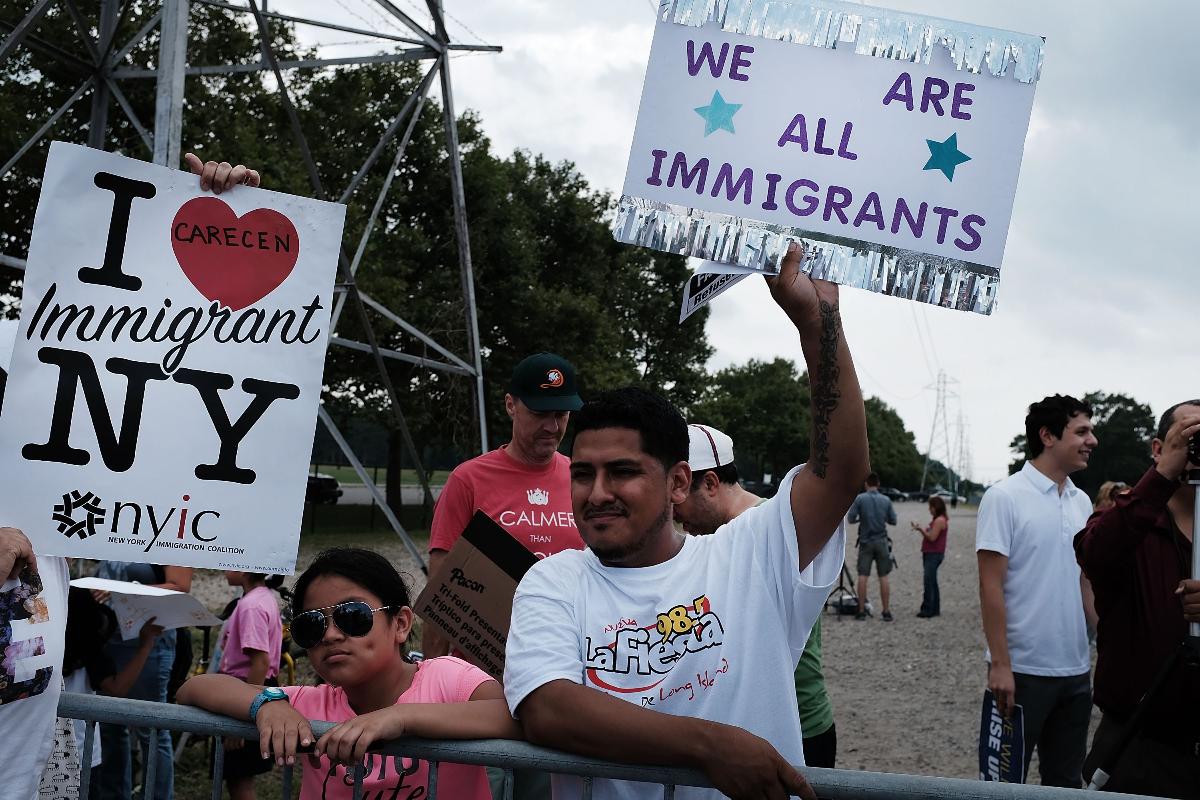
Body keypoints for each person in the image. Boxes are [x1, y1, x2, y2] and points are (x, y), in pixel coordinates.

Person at [503, 242, 869, 800]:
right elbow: (550, 710)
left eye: (622, 472)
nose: (597, 494)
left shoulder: (749, 553)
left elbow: (841, 472)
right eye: (583, 474)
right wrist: (710, 747)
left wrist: (818, 328)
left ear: (678, 482)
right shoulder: (554, 580)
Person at [178, 548, 521, 799]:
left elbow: (515, 717)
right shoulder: (312, 707)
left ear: (400, 623)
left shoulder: (447, 678)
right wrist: (267, 704)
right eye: (311, 625)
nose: (330, 635)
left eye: (353, 616)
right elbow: (194, 688)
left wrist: (402, 718)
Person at [674, 423, 838, 768]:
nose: (674, 513)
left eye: (680, 495)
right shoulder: (713, 539)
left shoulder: (779, 529)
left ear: (710, 483)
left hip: (798, 727)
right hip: (738, 732)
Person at [422, 351, 585, 658]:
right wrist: (433, 678)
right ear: (511, 405)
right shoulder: (468, 480)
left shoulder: (582, 478)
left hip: (564, 659)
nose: (552, 427)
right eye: (540, 413)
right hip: (483, 668)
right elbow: (441, 593)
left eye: (561, 414)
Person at [1075, 399, 1200, 797]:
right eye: (1189, 436)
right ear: (1158, 448)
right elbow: (1095, 554)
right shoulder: (1129, 519)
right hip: (1140, 742)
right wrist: (1164, 474)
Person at [976, 394, 1099, 787]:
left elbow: (1085, 580)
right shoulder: (1004, 497)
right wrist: (1000, 663)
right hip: (1022, 671)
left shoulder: (1082, 502)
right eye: (1081, 431)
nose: (1092, 440)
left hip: (1077, 671)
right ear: (1048, 435)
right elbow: (990, 584)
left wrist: (1104, 638)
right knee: (1002, 783)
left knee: (1065, 783)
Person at [91, 560, 193, 800]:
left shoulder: (170, 532)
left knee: (151, 728)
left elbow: (180, 586)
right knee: (109, 727)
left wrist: (120, 591)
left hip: (149, 642)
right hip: (109, 640)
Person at [216, 571, 285, 800]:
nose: (224, 570)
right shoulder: (262, 597)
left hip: (246, 688)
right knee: (237, 776)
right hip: (250, 688)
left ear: (244, 569)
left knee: (239, 780)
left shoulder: (251, 606)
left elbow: (260, 662)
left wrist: (243, 714)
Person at [847, 472, 897, 621]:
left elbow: (850, 519)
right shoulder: (886, 500)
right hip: (882, 541)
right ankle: (886, 611)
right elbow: (893, 521)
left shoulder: (860, 499)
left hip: (865, 542)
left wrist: (861, 519)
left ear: (866, 484)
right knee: (884, 576)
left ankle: (861, 611)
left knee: (863, 576)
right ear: (878, 484)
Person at [910, 495, 948, 617]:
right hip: (933, 553)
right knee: (932, 581)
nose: (929, 509)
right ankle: (935, 608)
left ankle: (927, 609)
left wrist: (921, 529)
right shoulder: (939, 519)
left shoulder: (939, 521)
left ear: (935, 507)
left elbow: (932, 537)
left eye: (930, 507)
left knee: (928, 582)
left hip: (933, 554)